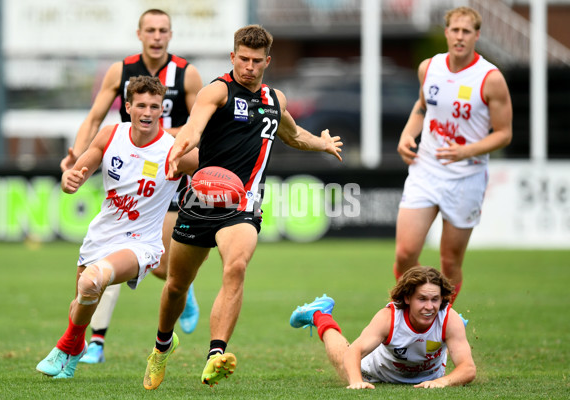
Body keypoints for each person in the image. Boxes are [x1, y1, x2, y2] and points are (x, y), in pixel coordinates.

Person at [141, 24, 343, 389]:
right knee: (175, 286)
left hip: (243, 204)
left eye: (256, 61)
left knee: (235, 266)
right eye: (243, 59)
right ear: (233, 57)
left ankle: (215, 355)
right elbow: (192, 130)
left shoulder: (274, 99)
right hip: (200, 199)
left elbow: (294, 134)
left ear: (267, 61)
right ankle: (161, 347)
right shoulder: (216, 90)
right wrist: (177, 152)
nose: (248, 67)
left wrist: (323, 144)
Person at [60, 9, 204, 364]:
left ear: (170, 35)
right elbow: (95, 116)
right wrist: (77, 157)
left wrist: (164, 139)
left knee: (159, 265)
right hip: (129, 168)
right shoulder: (120, 70)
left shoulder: (186, 73)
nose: (156, 36)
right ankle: (94, 342)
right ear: (139, 33)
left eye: (163, 31)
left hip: (170, 173)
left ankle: (182, 290)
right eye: (150, 30)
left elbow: (201, 125)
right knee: (105, 260)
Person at [36, 76, 199, 380]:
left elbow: (213, 170)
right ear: (128, 107)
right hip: (102, 235)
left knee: (91, 283)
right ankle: (72, 358)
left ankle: (66, 345)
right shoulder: (110, 135)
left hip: (142, 244)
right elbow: (76, 176)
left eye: (154, 106)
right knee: (80, 306)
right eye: (141, 105)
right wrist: (68, 181)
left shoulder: (173, 151)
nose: (148, 111)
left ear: (161, 109)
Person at [393, 6, 513, 303]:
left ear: (477, 35)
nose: (460, 37)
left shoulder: (490, 78)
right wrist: (408, 134)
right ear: (446, 33)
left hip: (466, 178)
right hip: (426, 169)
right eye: (455, 30)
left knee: (449, 263)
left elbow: (504, 133)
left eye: (466, 31)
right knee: (405, 253)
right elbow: (423, 107)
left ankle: (439, 323)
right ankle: (412, 312)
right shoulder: (428, 68)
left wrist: (466, 151)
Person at [290, 266, 476, 389]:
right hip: (376, 372)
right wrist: (356, 382)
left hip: (429, 376)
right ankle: (320, 315)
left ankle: (442, 334)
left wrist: (442, 382)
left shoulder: (449, 318)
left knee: (449, 325)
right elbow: (354, 350)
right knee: (343, 362)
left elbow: (468, 368)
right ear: (407, 298)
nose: (429, 307)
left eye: (435, 300)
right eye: (422, 299)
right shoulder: (389, 317)